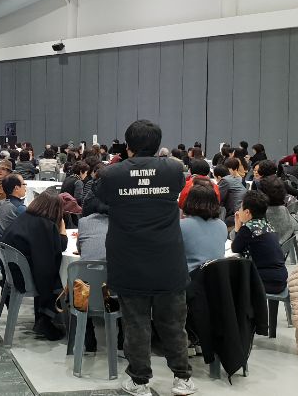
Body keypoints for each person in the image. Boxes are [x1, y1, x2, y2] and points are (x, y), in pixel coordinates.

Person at [94, 120, 195, 396]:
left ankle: (140, 382)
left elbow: (98, 197)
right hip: (167, 259)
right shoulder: (173, 169)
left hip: (129, 260)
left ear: (127, 145)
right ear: (157, 143)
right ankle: (182, 379)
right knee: (174, 323)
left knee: (135, 324)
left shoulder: (112, 174)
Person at [0, 190, 68, 340]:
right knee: (58, 276)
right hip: (24, 276)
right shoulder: (44, 225)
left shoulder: (26, 217)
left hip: (12, 271)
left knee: (48, 267)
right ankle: (47, 318)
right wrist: (61, 227)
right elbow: (59, 247)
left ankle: (44, 317)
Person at [231, 191, 289, 294]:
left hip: (267, 280)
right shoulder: (266, 224)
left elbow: (235, 248)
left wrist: (237, 227)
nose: (239, 211)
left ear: (247, 212)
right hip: (281, 277)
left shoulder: (248, 228)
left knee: (231, 278)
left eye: (240, 208)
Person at [180, 183, 227, 272]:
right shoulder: (222, 225)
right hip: (217, 276)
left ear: (189, 201)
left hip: (191, 277)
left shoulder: (181, 226)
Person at [259, 174, 296, 245]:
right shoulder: (283, 209)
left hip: (264, 249)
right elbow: (296, 227)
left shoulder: (260, 215)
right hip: (283, 248)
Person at [217, 161, 248, 226]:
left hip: (235, 214)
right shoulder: (235, 179)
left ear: (218, 177)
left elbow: (218, 198)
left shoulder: (225, 180)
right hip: (243, 211)